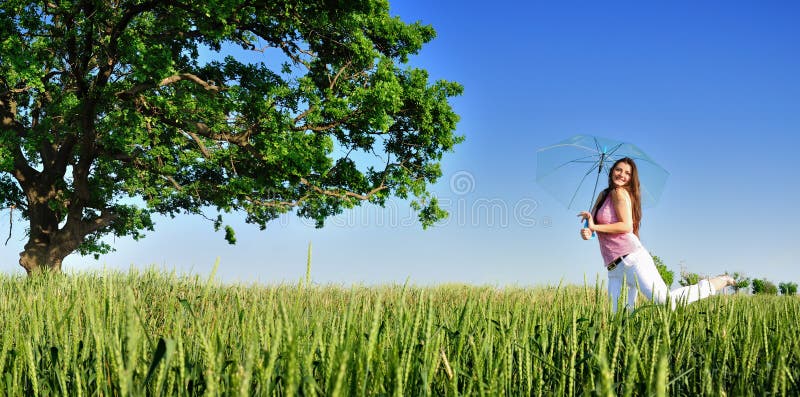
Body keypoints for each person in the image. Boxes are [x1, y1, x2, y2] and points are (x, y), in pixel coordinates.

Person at [578, 157, 735, 312]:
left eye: (627, 173)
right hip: (613, 268)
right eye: (618, 170)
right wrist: (588, 230)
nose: (622, 175)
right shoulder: (603, 194)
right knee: (617, 319)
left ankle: (715, 282)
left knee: (666, 302)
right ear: (612, 171)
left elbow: (626, 226)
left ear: (631, 178)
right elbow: (592, 227)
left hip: (631, 261)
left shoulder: (620, 193)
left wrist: (595, 227)